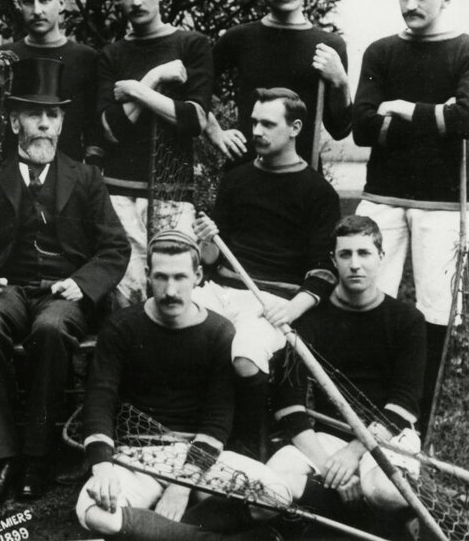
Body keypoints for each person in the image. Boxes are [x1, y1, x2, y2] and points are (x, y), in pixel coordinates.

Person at [0, 58, 130, 501]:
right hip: (8, 289)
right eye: (33, 114)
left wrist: (82, 284)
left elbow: (115, 249)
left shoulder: (86, 179)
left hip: (62, 293)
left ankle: (39, 458)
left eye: (52, 115)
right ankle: (3, 456)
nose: (43, 125)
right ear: (13, 122)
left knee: (51, 328)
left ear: (62, 123)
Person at [352, 0, 469, 431]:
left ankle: (413, 423)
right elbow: (363, 129)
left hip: (443, 205)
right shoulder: (381, 51)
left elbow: (468, 119)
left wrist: (403, 108)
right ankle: (360, 413)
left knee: (436, 312)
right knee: (365, 298)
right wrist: (436, 117)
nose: (410, 4)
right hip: (382, 197)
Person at [75, 230, 287, 541]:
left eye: (180, 277)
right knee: (92, 512)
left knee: (276, 495)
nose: (170, 290)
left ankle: (157, 532)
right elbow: (100, 400)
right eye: (161, 277)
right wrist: (103, 468)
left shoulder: (219, 332)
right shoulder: (121, 326)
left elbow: (217, 420)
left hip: (199, 459)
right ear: (148, 276)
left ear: (198, 276)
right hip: (136, 456)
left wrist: (181, 486)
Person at [192, 88, 341, 455]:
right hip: (221, 289)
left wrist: (292, 310)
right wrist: (206, 239)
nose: (256, 130)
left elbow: (324, 269)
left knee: (245, 353)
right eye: (254, 121)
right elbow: (212, 258)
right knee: (171, 321)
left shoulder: (318, 192)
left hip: (273, 301)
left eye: (267, 124)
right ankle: (186, 427)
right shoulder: (236, 178)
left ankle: (246, 444)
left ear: (295, 128)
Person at [266, 215, 427, 527]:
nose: (355, 264)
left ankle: (403, 525)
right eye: (345, 254)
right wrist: (329, 465)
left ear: (381, 257)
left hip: (386, 435)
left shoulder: (407, 320)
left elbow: (405, 402)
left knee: (385, 492)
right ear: (334, 261)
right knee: (270, 486)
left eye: (364, 253)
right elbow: (289, 400)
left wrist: (354, 453)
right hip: (326, 435)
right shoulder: (310, 319)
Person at [97, 0, 213, 309]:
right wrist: (154, 78)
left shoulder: (192, 45)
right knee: (126, 294)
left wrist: (134, 92)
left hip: (173, 192)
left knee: (172, 290)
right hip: (120, 193)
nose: (135, 1)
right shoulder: (112, 55)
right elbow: (110, 131)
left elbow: (194, 120)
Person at [206, 0, 352, 166]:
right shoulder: (240, 38)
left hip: (303, 180)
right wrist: (215, 132)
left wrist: (341, 83)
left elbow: (340, 129)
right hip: (245, 175)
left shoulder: (329, 45)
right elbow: (193, 88)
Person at [0, 0, 102, 163]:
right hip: (13, 180)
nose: (37, 10)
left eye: (44, 0)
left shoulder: (86, 58)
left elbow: (93, 129)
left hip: (70, 181)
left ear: (61, 3)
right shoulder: (5, 56)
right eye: (28, 1)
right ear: (19, 4)